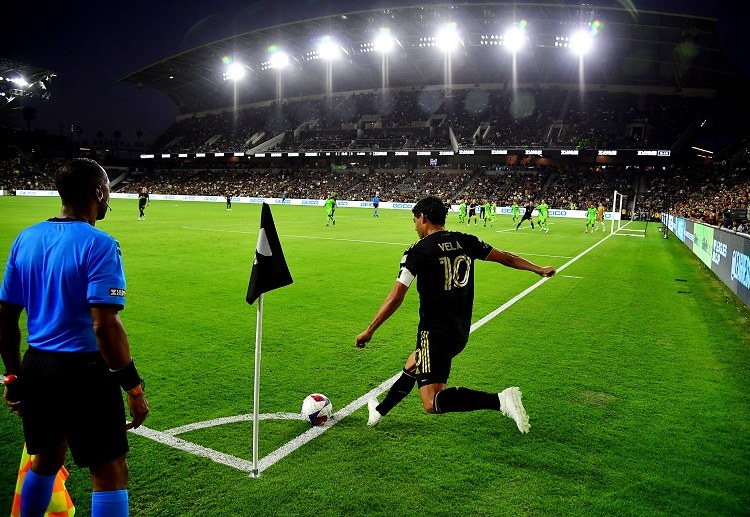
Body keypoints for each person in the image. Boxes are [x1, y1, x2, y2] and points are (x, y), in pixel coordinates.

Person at [0, 158, 150, 517]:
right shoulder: (100, 244)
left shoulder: (26, 238)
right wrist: (133, 388)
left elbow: (5, 318)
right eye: (108, 190)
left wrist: (14, 374)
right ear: (99, 192)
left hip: (38, 365)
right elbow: (104, 326)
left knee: (46, 459)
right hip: (84, 372)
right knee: (110, 473)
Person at [356, 196, 555, 433]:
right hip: (460, 330)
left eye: (414, 220)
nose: (414, 226)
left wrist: (370, 330)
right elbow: (507, 257)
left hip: (434, 332)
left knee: (432, 401)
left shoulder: (417, 251)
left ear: (423, 218)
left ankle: (500, 401)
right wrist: (538, 269)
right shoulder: (466, 241)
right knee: (414, 363)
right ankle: (379, 412)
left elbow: (396, 296)